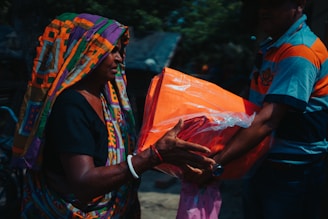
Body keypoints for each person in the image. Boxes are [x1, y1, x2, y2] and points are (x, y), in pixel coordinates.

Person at [13, 13, 215, 218]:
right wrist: (153, 155)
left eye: (119, 51)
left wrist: (179, 164)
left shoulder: (110, 101)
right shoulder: (70, 105)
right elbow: (84, 183)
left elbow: (119, 159)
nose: (119, 58)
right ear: (86, 53)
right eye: (111, 51)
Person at [195, 0, 328, 219]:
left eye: (274, 3)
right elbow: (249, 104)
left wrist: (216, 164)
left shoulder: (300, 52)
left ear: (300, 4)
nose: (265, 9)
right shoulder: (273, 46)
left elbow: (267, 119)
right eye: (261, 3)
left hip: (292, 172)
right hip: (265, 162)